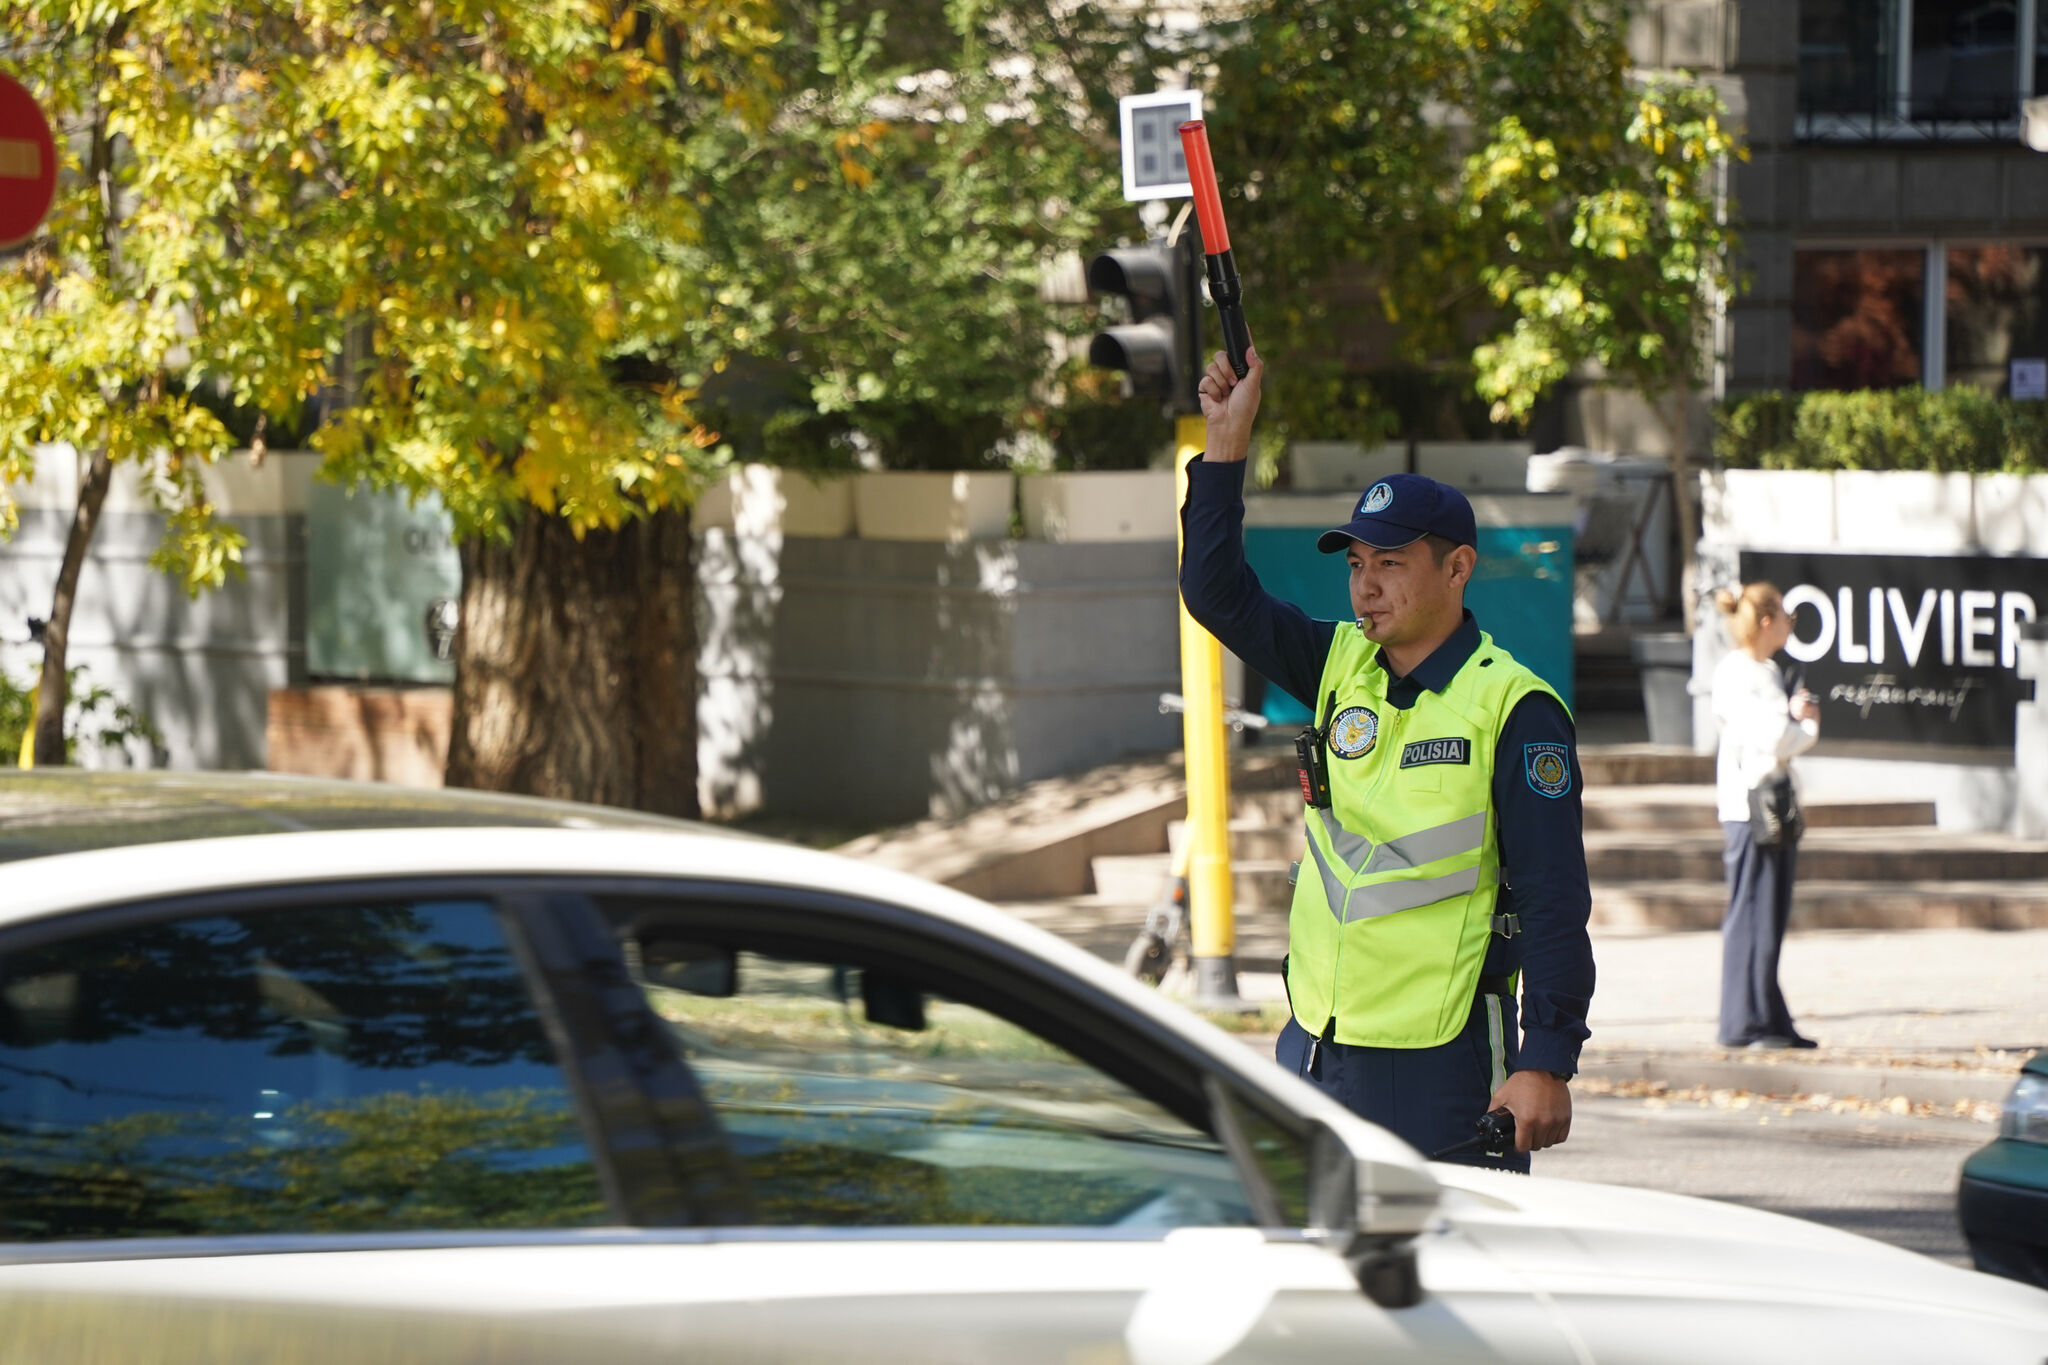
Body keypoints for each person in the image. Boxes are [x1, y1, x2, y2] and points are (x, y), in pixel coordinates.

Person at [1181, 346, 1594, 1171]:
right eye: (1358, 565)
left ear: (1458, 567)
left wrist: (1545, 1059)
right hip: (1315, 1044)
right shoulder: (1339, 662)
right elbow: (1214, 592)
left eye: (1392, 565)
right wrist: (1226, 450)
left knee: (1449, 1278)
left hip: (1437, 1063)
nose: (1366, 586)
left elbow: (1554, 900)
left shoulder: (1514, 709)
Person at [1710, 582, 1821, 1051]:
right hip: (1751, 808)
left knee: (1768, 913)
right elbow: (1773, 737)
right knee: (1752, 911)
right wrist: (1806, 724)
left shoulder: (1764, 670)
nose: (1790, 627)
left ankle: (1768, 1017)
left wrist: (1796, 724)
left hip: (1767, 803)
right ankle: (1744, 1022)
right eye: (1784, 617)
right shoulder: (1739, 672)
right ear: (1765, 621)